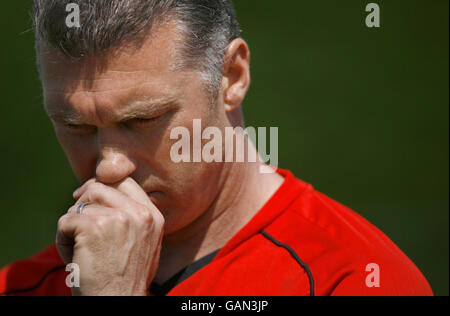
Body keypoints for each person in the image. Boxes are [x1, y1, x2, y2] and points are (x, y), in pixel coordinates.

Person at [0, 0, 432, 296]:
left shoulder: (353, 279)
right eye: (75, 125)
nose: (111, 168)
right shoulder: (23, 286)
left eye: (142, 120)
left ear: (231, 76)